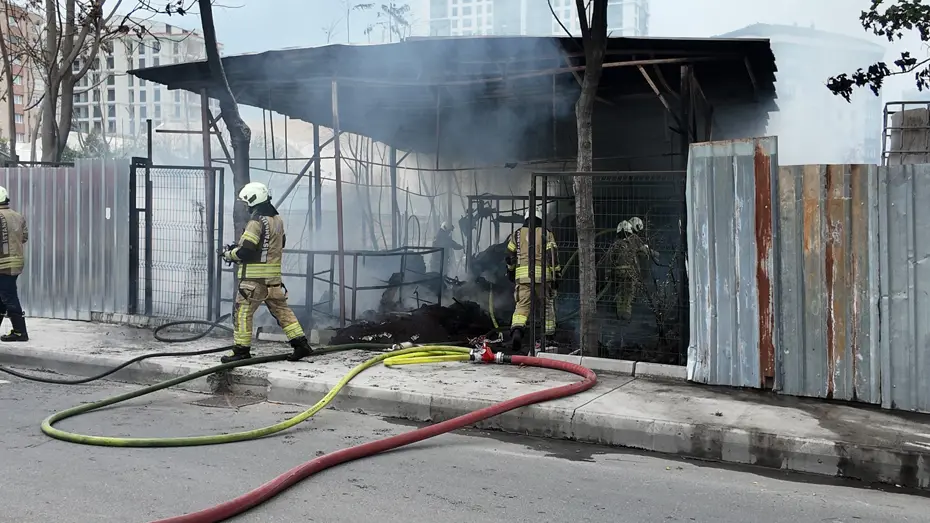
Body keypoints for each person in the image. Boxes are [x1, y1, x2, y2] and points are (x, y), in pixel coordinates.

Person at [221, 182, 312, 363]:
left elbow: (246, 251)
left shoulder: (256, 222)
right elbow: (276, 244)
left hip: (254, 282)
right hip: (273, 281)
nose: (246, 207)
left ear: (253, 200)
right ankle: (301, 345)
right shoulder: (277, 220)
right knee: (283, 312)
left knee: (242, 312)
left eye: (246, 203)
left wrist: (229, 254)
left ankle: (241, 351)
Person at [505, 209, 560, 353]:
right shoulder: (546, 233)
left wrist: (510, 270)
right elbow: (552, 256)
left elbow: (510, 255)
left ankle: (517, 331)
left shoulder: (516, 234)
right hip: (543, 278)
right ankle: (548, 338)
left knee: (522, 307)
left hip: (523, 278)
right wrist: (556, 274)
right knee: (546, 306)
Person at [607, 217, 657, 321]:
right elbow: (643, 252)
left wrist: (609, 274)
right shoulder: (634, 239)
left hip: (618, 272)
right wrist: (655, 254)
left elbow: (610, 259)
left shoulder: (616, 243)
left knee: (620, 293)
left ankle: (620, 314)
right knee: (629, 294)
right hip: (630, 271)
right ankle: (626, 316)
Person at [0, 185, 28, 342]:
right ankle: (18, 331)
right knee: (3, 295)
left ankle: (20, 332)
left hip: (2, 264)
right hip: (16, 263)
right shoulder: (18, 216)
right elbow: (24, 237)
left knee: (9, 296)